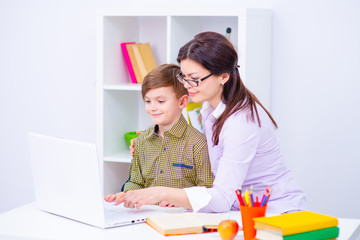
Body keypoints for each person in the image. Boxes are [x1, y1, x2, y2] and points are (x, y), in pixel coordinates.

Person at [110, 32, 307, 214]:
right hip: (238, 209)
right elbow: (198, 152)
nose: (187, 86)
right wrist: (151, 142)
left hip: (274, 211)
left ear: (223, 76)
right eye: (184, 77)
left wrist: (161, 192)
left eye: (195, 79)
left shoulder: (241, 122)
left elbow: (221, 198)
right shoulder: (208, 109)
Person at [104, 64, 213, 206]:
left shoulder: (198, 143)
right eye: (148, 101)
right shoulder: (142, 140)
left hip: (182, 219)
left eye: (161, 101)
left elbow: (206, 190)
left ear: (182, 102)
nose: (152, 107)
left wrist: (180, 202)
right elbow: (135, 182)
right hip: (146, 217)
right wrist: (126, 195)